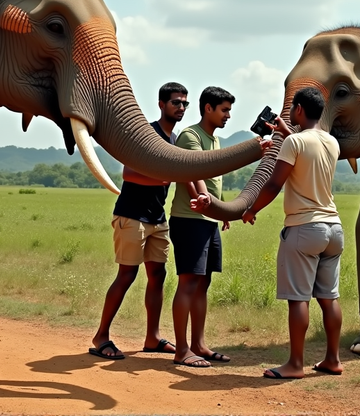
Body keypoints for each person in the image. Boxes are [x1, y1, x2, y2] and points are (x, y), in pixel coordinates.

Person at [241, 87, 344, 379]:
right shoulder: (332, 142)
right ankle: (332, 360)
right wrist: (290, 133)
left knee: (299, 299)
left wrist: (251, 210)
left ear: (298, 109)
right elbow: (309, 153)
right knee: (329, 298)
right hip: (333, 228)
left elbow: (274, 184)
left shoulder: (294, 143)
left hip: (303, 228)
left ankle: (295, 365)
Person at [169, 86, 270, 368]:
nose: (228, 116)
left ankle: (199, 344)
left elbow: (212, 180)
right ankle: (181, 349)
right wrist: (206, 203)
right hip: (190, 220)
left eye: (229, 110)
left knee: (203, 283)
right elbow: (192, 173)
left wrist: (222, 210)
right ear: (208, 108)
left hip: (208, 220)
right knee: (188, 283)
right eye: (224, 110)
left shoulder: (214, 141)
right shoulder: (191, 135)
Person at [88, 82, 189, 360]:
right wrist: (162, 177)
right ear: (161, 104)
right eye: (175, 102)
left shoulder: (174, 140)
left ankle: (152, 338)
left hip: (158, 218)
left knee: (158, 275)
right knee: (127, 275)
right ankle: (101, 337)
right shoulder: (147, 133)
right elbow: (129, 172)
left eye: (184, 104)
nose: (180, 107)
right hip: (132, 216)